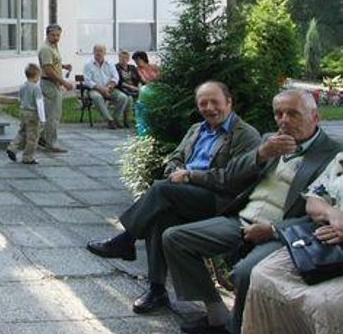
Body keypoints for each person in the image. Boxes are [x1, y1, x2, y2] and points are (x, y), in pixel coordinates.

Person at [163, 89, 343, 334]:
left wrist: (273, 229)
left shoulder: (332, 153)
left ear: (315, 117)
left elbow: (320, 211)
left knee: (246, 273)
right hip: (242, 219)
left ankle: (238, 329)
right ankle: (217, 315)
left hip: (283, 231)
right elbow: (232, 176)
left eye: (293, 114)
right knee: (175, 238)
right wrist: (261, 153)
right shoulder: (270, 139)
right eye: (278, 114)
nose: (284, 120)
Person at [86, 81, 262, 314]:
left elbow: (233, 178)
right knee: (161, 216)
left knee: (161, 190)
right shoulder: (196, 130)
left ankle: (126, 240)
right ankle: (157, 290)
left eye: (215, 102)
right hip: (185, 194)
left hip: (220, 201)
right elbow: (174, 158)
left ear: (229, 102)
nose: (209, 108)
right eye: (203, 103)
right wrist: (176, 173)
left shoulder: (245, 135)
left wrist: (190, 176)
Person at [242, 151, 343, 334]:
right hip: (330, 241)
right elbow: (314, 199)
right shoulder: (341, 159)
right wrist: (332, 213)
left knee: (326, 304)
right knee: (263, 274)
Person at [38, 24, 74, 152]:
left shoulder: (53, 47)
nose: (56, 37)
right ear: (47, 34)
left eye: (58, 35)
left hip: (53, 83)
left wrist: (63, 66)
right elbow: (48, 70)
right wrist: (64, 82)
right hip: (49, 83)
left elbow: (52, 64)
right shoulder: (46, 49)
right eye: (53, 35)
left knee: (52, 114)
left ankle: (42, 137)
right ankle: (51, 143)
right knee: (53, 115)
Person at [82, 44, 130, 129]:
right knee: (97, 97)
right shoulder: (88, 64)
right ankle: (109, 120)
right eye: (97, 51)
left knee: (123, 97)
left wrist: (109, 88)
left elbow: (116, 77)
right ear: (93, 52)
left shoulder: (110, 64)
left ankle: (115, 119)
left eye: (101, 51)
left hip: (109, 88)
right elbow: (88, 81)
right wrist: (102, 90)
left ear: (105, 52)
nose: (99, 53)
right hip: (95, 89)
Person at [6, 63, 46, 165]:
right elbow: (39, 104)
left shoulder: (22, 86)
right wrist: (42, 119)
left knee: (22, 132)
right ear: (36, 75)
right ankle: (28, 157)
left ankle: (12, 147)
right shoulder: (36, 88)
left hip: (23, 112)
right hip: (32, 114)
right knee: (32, 136)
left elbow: (20, 99)